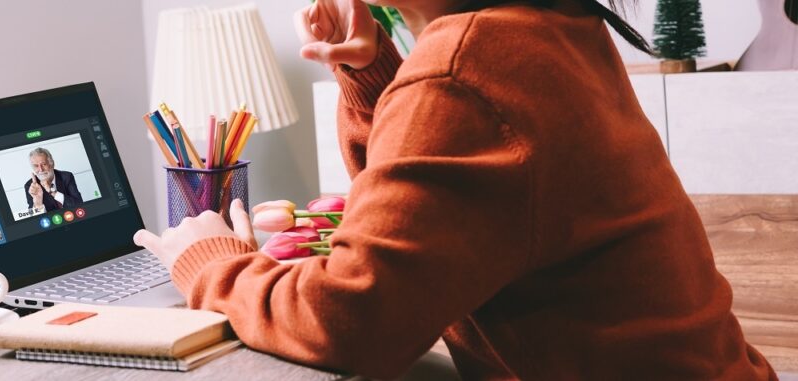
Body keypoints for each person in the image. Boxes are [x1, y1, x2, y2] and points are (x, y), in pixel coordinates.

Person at [133, 0, 776, 379]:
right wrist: (372, 70)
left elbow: (353, 321)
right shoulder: (533, 30)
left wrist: (213, 266)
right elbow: (427, 213)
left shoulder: (465, 69)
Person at [23, 147, 83, 213]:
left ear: (52, 164)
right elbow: (33, 219)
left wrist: (53, 192)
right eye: (36, 166)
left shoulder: (66, 177)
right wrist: (38, 204)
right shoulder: (30, 186)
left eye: (44, 164)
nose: (41, 169)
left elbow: (79, 205)